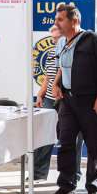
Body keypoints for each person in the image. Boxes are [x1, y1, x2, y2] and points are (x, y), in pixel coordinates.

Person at [48, 3, 97, 194]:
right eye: (56, 19)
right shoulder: (61, 42)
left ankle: (94, 188)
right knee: (66, 142)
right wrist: (55, 84)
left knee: (95, 144)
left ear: (74, 21)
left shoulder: (94, 40)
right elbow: (60, 67)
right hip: (67, 101)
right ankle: (66, 186)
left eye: (60, 19)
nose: (56, 23)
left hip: (91, 101)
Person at [32, 24, 63, 181]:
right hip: (50, 99)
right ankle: (38, 173)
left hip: (66, 100)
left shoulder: (72, 52)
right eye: (53, 38)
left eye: (57, 38)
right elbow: (47, 77)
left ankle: (69, 177)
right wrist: (40, 95)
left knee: (69, 138)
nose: (55, 41)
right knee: (44, 134)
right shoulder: (51, 53)